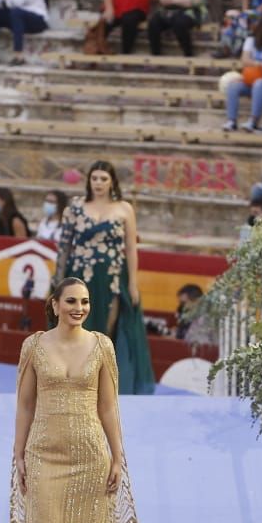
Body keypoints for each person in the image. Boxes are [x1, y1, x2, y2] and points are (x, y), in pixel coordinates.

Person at [0, 277, 158, 523]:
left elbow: (108, 408)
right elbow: (24, 406)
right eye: (71, 301)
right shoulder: (34, 346)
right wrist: (18, 454)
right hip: (43, 453)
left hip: (89, 456)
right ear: (54, 304)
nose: (79, 308)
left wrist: (118, 456)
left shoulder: (102, 346)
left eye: (85, 301)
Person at [55, 162, 156, 396]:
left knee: (109, 328)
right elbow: (64, 247)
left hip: (112, 277)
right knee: (76, 327)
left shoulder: (124, 209)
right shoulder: (75, 208)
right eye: (95, 178)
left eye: (103, 178)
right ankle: (74, 381)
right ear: (89, 181)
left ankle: (103, 383)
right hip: (78, 276)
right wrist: (58, 282)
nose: (98, 183)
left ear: (112, 182)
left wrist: (133, 282)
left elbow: (131, 248)